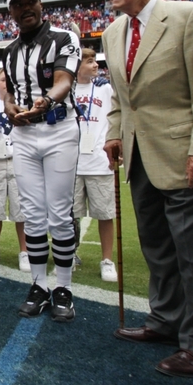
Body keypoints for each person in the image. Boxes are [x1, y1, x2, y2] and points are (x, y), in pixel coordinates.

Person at [104, 0, 193, 378]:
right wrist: (114, 133)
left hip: (186, 155)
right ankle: (165, 321)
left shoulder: (190, 17)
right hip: (140, 158)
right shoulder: (113, 32)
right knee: (157, 248)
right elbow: (122, 97)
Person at [2, 0, 81, 322]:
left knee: (59, 212)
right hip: (24, 133)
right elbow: (7, 93)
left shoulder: (64, 38)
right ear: (11, 12)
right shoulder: (10, 51)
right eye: (19, 4)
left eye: (31, 1)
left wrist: (46, 100)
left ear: (41, 3)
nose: (26, 8)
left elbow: (64, 79)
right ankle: (39, 284)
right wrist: (8, 107)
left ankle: (63, 288)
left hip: (59, 129)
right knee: (32, 212)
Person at [73, 48, 117, 283]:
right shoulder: (66, 89)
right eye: (89, 62)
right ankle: (70, 253)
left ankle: (107, 260)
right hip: (73, 163)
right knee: (71, 215)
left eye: (95, 61)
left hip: (99, 162)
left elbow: (115, 115)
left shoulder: (104, 88)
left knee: (105, 214)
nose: (95, 65)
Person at [0, 68, 28, 272]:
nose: (5, 83)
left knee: (21, 209)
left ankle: (24, 250)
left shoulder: (22, 104)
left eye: (8, 80)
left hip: (18, 158)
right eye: (2, 80)